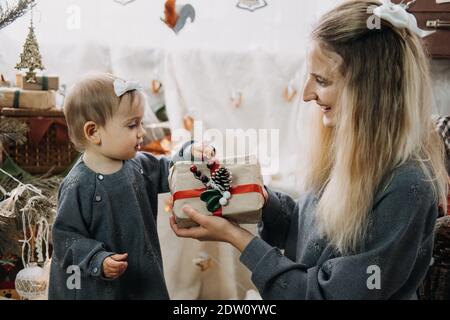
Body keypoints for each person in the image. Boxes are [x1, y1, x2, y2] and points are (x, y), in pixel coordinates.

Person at [170, 0, 448, 299]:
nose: (306, 94)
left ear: (371, 90)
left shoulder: (407, 186)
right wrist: (256, 198)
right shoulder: (349, 152)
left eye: (322, 80)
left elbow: (324, 295)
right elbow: (310, 235)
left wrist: (237, 239)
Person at [49, 73, 213, 299]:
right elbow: (65, 238)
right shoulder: (78, 185)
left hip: (142, 276)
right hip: (100, 287)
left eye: (141, 123)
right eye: (132, 125)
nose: (142, 132)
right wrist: (98, 259)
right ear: (93, 132)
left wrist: (190, 154)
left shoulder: (139, 165)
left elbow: (171, 169)